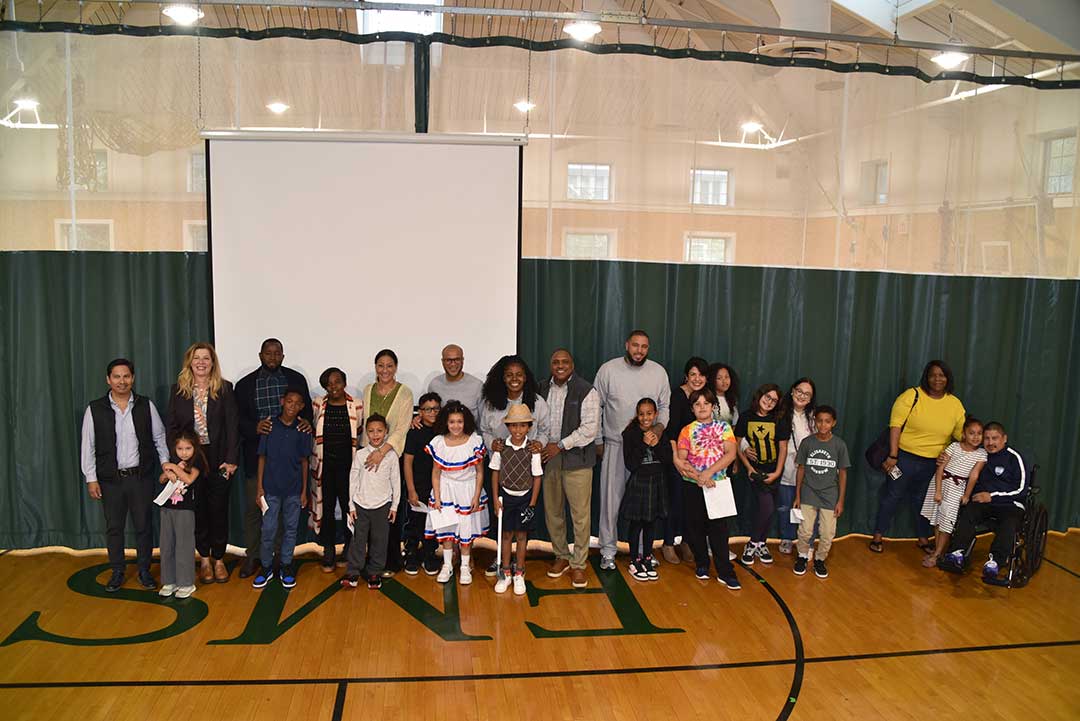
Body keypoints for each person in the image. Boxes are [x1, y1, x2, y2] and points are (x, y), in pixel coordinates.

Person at [80, 358, 170, 592]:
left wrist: (166, 465)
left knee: (143, 525)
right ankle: (117, 571)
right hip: (111, 480)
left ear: (133, 378)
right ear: (108, 380)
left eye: (126, 376)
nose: (122, 381)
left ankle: (144, 571)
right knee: (114, 527)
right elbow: (87, 445)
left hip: (140, 478)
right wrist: (91, 478)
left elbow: (159, 438)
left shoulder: (145, 406)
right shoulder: (95, 409)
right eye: (117, 377)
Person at [869, 360, 966, 555]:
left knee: (923, 500)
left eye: (942, 375)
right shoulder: (911, 396)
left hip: (933, 464)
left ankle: (923, 538)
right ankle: (878, 536)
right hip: (904, 459)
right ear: (926, 377)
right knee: (892, 496)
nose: (937, 379)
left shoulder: (955, 404)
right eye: (933, 375)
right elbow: (895, 426)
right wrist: (893, 455)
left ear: (948, 378)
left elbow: (960, 436)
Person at [235, 338, 313, 578]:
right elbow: (237, 420)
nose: (272, 357)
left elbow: (307, 412)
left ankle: (280, 559)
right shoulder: (245, 385)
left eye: (277, 353)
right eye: (268, 353)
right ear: (260, 355)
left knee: (285, 517)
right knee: (255, 509)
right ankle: (254, 557)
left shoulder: (295, 380)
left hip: (289, 459)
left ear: (283, 356)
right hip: (258, 457)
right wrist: (254, 428)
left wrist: (307, 424)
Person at [594, 330, 671, 571]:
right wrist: (598, 439)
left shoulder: (658, 372)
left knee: (645, 504)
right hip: (616, 445)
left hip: (647, 448)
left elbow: (665, 406)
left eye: (644, 347)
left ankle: (642, 552)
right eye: (635, 345)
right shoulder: (608, 370)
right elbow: (595, 406)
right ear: (627, 345)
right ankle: (608, 550)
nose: (639, 350)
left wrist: (658, 430)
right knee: (611, 501)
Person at [165, 342, 240, 584]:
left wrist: (231, 460)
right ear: (190, 362)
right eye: (196, 358)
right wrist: (179, 459)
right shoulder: (179, 390)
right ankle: (204, 559)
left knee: (218, 510)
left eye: (206, 358)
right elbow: (172, 427)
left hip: (219, 458)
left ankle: (219, 560)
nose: (201, 362)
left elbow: (232, 427)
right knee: (198, 511)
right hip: (192, 459)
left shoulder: (225, 389)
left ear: (212, 363)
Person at [479, 354, 550, 577]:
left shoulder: (537, 402)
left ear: (526, 377)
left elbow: (546, 431)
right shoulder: (490, 402)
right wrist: (494, 445)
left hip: (526, 473)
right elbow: (485, 431)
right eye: (509, 375)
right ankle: (501, 559)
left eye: (519, 374)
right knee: (502, 522)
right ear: (502, 378)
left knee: (520, 526)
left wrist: (540, 444)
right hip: (501, 470)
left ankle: (518, 566)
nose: (514, 379)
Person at [538, 349, 599, 589]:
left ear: (572, 365)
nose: (560, 365)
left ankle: (579, 564)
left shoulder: (586, 390)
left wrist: (561, 445)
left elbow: (590, 429)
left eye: (565, 362)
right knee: (553, 511)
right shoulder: (541, 389)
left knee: (580, 516)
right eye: (555, 362)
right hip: (548, 458)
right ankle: (561, 556)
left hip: (577, 460)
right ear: (550, 365)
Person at [941, 422, 1028, 582]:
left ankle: (995, 562)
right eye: (986, 438)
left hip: (1009, 504)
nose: (990, 442)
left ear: (1004, 438)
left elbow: (1021, 490)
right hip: (983, 502)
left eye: (995, 438)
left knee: (1009, 523)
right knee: (969, 513)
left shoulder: (1014, 458)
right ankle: (957, 553)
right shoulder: (980, 455)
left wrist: (992, 496)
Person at [675, 388, 740, 590]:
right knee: (695, 528)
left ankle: (725, 572)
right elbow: (682, 460)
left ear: (713, 406)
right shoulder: (686, 430)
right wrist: (698, 477)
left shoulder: (724, 427)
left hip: (717, 486)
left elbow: (730, 454)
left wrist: (708, 474)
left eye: (706, 403)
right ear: (692, 409)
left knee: (719, 530)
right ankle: (702, 563)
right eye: (697, 404)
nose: (702, 407)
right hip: (693, 487)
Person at [361, 349, 414, 577]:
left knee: (389, 510)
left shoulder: (405, 393)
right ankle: (372, 561)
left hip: (390, 457)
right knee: (369, 508)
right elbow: (365, 423)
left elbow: (402, 428)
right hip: (368, 459)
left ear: (396, 367)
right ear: (375, 367)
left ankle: (391, 560)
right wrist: (369, 453)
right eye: (381, 365)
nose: (385, 370)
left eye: (389, 365)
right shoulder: (367, 390)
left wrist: (381, 452)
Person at [252, 389, 312, 590]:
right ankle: (266, 567)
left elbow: (305, 462)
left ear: (302, 407)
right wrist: (259, 487)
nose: (292, 406)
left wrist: (304, 491)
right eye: (289, 402)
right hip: (270, 489)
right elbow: (262, 457)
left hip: (294, 490)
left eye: (297, 403)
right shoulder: (270, 426)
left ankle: (286, 566)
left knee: (290, 529)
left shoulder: (303, 430)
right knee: (268, 529)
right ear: (282, 402)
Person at [426, 402, 488, 585]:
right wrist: (437, 497)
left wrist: (476, 496)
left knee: (466, 531)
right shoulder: (438, 443)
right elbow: (436, 473)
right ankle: (447, 565)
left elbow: (479, 472)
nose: (455, 426)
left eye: (459, 422)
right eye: (452, 422)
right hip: (446, 490)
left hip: (467, 490)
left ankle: (464, 566)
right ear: (446, 422)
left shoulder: (474, 441)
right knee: (447, 531)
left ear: (465, 422)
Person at [309, 367, 364, 572]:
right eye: (329, 384)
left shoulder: (357, 406)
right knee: (327, 509)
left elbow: (359, 434)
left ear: (345, 382)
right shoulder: (317, 405)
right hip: (325, 468)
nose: (334, 387)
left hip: (348, 468)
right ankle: (329, 549)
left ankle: (349, 547)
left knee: (350, 509)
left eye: (337, 382)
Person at [341, 415, 400, 590]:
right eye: (371, 431)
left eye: (379, 431)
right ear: (366, 433)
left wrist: (394, 506)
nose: (375, 435)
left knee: (379, 540)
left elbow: (396, 482)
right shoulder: (360, 455)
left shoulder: (391, 456)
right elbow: (353, 480)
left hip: (382, 505)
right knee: (358, 540)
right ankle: (353, 572)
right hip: (360, 505)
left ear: (386, 432)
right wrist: (351, 506)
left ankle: (375, 572)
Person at [490, 405, 544, 596]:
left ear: (529, 427)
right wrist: (496, 499)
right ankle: (505, 572)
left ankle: (519, 572)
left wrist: (532, 504)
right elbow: (495, 473)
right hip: (506, 498)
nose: (518, 430)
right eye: (514, 426)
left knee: (522, 536)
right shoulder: (500, 447)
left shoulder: (533, 450)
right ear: (508, 427)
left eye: (522, 426)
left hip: (525, 499)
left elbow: (537, 477)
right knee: (506, 536)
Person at [919, 418, 987, 568]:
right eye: (971, 433)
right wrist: (937, 491)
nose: (976, 437)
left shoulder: (982, 454)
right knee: (937, 519)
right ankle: (939, 551)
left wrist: (967, 495)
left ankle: (937, 554)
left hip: (956, 489)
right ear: (963, 434)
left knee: (947, 522)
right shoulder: (954, 447)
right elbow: (940, 469)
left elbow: (974, 475)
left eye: (979, 434)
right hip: (941, 484)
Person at [660, 357, 708, 566]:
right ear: (686, 376)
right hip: (679, 459)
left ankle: (687, 542)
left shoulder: (706, 397)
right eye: (693, 374)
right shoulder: (678, 396)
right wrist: (677, 459)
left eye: (701, 375)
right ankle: (668, 543)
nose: (697, 379)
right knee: (676, 502)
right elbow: (672, 431)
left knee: (694, 505)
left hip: (701, 462)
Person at [735, 384, 790, 566]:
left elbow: (783, 447)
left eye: (774, 400)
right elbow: (737, 442)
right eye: (767, 397)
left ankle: (761, 543)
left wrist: (777, 472)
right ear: (759, 396)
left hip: (773, 469)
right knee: (765, 507)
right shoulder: (745, 417)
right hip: (755, 471)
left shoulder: (779, 419)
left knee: (770, 508)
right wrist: (749, 468)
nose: (769, 402)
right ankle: (752, 543)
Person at [793, 405, 849, 579]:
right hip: (808, 493)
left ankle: (819, 559)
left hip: (830, 496)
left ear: (833, 423)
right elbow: (801, 469)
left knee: (827, 533)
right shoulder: (808, 443)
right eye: (819, 421)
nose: (823, 425)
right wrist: (798, 495)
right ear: (814, 422)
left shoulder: (839, 445)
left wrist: (840, 501)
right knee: (805, 531)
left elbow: (843, 474)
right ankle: (802, 556)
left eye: (827, 421)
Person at [622, 398, 669, 582]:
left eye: (649, 413)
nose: (645, 418)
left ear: (655, 414)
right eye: (641, 414)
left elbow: (667, 460)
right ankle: (634, 559)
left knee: (651, 523)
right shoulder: (630, 434)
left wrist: (655, 444)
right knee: (637, 523)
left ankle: (647, 558)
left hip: (657, 482)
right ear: (637, 415)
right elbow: (630, 464)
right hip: (639, 482)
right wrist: (643, 444)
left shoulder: (660, 433)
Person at [157, 430, 207, 599]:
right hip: (167, 507)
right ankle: (169, 581)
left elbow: (188, 479)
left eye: (188, 448)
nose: (184, 452)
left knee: (183, 546)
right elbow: (161, 479)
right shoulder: (174, 462)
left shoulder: (197, 461)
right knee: (167, 544)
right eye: (180, 448)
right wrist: (168, 471)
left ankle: (186, 582)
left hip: (185, 510)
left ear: (195, 448)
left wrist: (173, 468)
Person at [403, 392, 442, 575]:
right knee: (415, 521)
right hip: (417, 486)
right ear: (420, 412)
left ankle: (429, 553)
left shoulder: (444, 431)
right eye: (427, 409)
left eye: (435, 408)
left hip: (438, 488)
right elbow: (408, 462)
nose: (432, 413)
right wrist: (411, 489)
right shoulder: (414, 432)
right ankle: (411, 552)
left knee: (433, 522)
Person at [776, 378, 816, 555]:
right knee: (786, 506)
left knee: (808, 507)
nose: (802, 396)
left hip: (808, 471)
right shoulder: (780, 413)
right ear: (792, 391)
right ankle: (787, 537)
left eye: (807, 394)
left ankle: (807, 540)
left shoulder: (814, 417)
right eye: (799, 391)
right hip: (785, 468)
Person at [426, 344, 483, 422]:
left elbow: (484, 420)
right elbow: (430, 414)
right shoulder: (434, 385)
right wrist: (419, 418)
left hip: (471, 433)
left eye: (457, 359)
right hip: (442, 433)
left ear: (462, 360)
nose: (453, 364)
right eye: (448, 360)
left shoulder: (477, 385)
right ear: (443, 361)